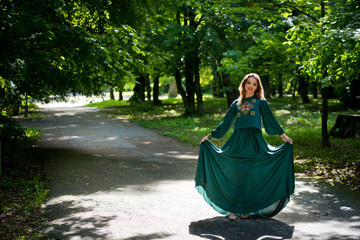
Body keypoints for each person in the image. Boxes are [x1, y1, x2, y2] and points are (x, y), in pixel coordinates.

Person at [195, 73, 294, 221]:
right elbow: (225, 123)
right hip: (237, 143)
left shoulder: (261, 101)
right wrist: (210, 136)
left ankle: (246, 209)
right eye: (249, 83)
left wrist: (283, 136)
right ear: (244, 84)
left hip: (255, 143)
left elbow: (270, 120)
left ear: (257, 87)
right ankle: (233, 209)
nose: (251, 86)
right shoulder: (236, 103)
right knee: (236, 175)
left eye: (254, 84)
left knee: (250, 176)